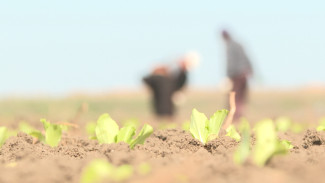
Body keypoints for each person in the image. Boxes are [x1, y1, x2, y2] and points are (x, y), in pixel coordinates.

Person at [143, 52, 199, 118]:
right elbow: (146, 79)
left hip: (168, 112)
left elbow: (180, 82)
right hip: (161, 112)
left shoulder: (169, 81)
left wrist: (182, 70)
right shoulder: (159, 80)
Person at [221, 30, 253, 120]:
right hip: (244, 74)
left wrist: (228, 76)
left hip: (236, 76)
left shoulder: (230, 46)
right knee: (241, 97)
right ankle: (238, 116)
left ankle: (235, 117)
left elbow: (231, 63)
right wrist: (250, 70)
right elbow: (247, 58)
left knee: (234, 96)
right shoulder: (238, 45)